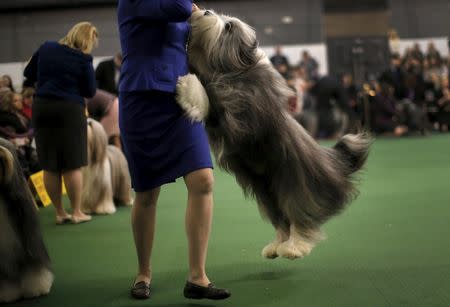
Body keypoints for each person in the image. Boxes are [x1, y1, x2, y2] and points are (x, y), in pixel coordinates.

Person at [117, 0, 230, 300]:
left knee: (203, 179)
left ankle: (198, 277)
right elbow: (181, 8)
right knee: (146, 193)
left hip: (181, 97)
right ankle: (143, 273)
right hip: (141, 100)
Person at [23, 21, 98, 225]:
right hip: (69, 110)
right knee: (72, 163)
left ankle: (59, 212)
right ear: (87, 40)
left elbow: (28, 73)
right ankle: (76, 212)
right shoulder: (83, 58)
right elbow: (90, 91)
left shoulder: (47, 47)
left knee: (50, 164)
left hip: (42, 107)